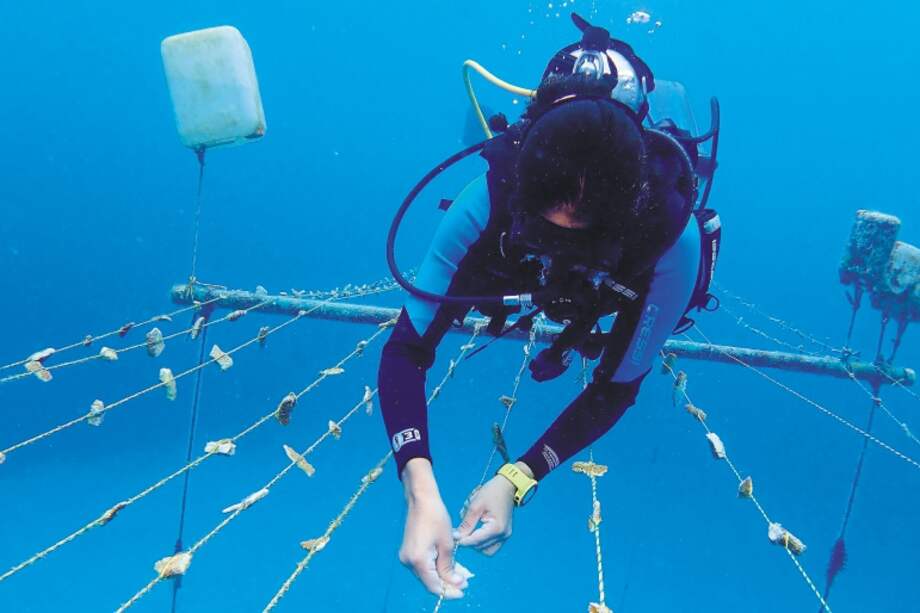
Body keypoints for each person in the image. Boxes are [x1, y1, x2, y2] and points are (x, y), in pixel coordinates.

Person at [379, 13, 720, 600]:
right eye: (546, 230)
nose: (562, 248)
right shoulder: (490, 192)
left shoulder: (670, 236)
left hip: (620, 286)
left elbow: (616, 386)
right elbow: (407, 348)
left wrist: (519, 477)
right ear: (521, 200)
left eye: (582, 236)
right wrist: (420, 487)